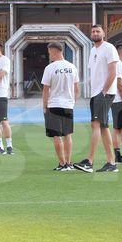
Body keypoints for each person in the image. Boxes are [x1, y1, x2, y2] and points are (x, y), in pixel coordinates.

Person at [73, 24, 120, 173]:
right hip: (96, 93)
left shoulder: (109, 48)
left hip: (104, 93)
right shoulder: (93, 50)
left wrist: (104, 91)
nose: (95, 33)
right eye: (93, 31)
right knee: (103, 127)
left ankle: (89, 161)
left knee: (95, 124)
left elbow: (113, 72)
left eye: (98, 31)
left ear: (103, 33)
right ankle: (111, 163)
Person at [41, 42, 80, 171]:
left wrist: (44, 107)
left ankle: (62, 163)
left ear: (54, 51)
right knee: (68, 134)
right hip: (68, 105)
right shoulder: (72, 67)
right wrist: (72, 102)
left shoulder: (50, 68)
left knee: (56, 135)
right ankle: (68, 163)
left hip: (54, 105)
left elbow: (46, 90)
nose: (49, 55)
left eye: (49, 53)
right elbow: (77, 89)